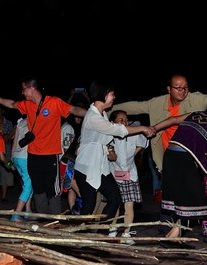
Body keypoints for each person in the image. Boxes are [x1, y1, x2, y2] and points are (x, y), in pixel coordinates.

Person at [0, 77, 87, 214]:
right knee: (38, 190)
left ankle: (55, 219)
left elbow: (74, 109)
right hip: (32, 156)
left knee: (53, 190)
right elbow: (12, 104)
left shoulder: (54, 102)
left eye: (23, 89)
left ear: (31, 88)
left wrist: (94, 114)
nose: (22, 93)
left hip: (51, 156)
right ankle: (43, 219)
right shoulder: (27, 104)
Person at [73, 80, 155, 231]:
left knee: (114, 198)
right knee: (89, 205)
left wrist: (110, 150)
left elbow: (106, 137)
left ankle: (101, 233)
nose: (114, 97)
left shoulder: (102, 114)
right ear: (102, 95)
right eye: (111, 94)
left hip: (101, 167)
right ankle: (78, 235)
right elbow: (117, 130)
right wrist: (142, 128)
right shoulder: (93, 117)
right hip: (87, 167)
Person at [110, 73, 207, 176]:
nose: (182, 91)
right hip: (168, 155)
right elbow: (135, 106)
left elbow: (174, 120)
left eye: (185, 87)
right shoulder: (157, 103)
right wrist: (103, 110)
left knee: (192, 187)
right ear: (169, 89)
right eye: (178, 88)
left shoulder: (196, 99)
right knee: (172, 188)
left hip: (190, 155)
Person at [152, 111, 207, 247]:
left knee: (186, 201)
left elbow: (174, 119)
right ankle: (171, 238)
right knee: (196, 201)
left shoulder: (197, 114)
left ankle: (171, 237)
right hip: (183, 158)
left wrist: (154, 128)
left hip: (170, 155)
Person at [109, 110, 149, 244]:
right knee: (115, 204)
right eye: (121, 120)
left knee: (129, 205)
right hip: (113, 175)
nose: (125, 122)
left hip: (130, 175)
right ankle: (112, 230)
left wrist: (134, 154)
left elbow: (144, 143)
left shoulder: (134, 133)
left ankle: (126, 233)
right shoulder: (109, 135)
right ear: (112, 122)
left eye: (126, 120)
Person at [10, 115, 33, 221]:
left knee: (27, 184)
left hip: (17, 157)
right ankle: (16, 214)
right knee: (28, 185)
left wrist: (12, 157)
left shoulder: (20, 122)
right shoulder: (34, 120)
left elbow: (15, 141)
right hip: (25, 157)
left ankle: (28, 211)